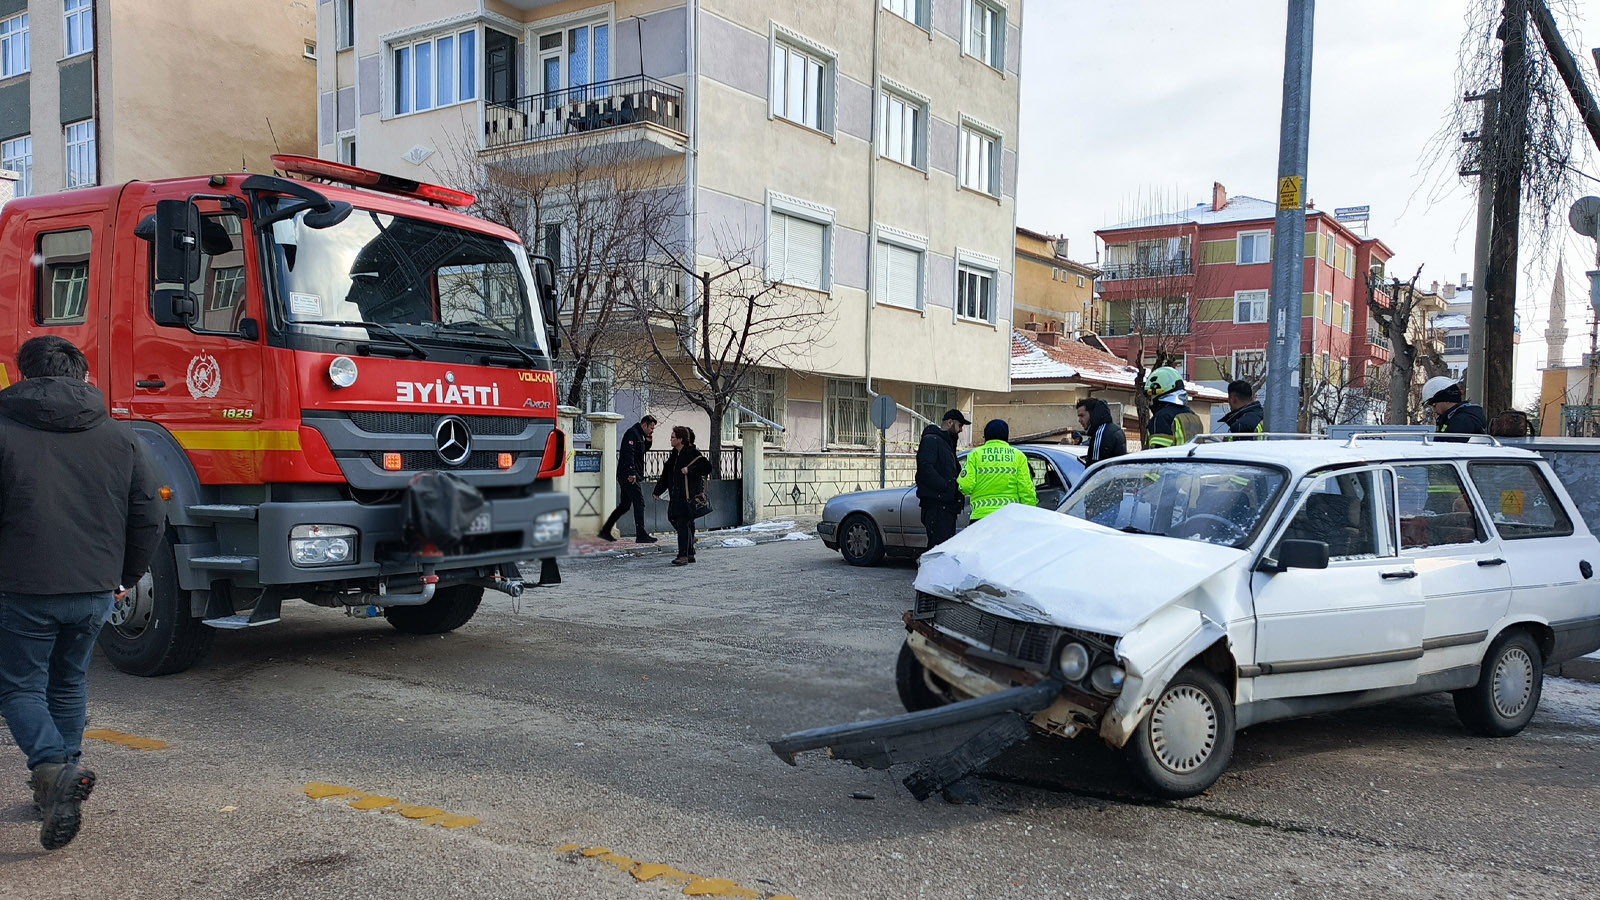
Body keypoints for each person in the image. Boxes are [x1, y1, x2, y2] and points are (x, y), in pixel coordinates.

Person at [0, 336, 164, 851]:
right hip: (96, 587)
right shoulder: (121, 437)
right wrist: (126, 573)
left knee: (19, 687)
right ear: (83, 375)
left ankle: (51, 768)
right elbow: (150, 514)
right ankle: (60, 786)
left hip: (21, 586)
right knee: (68, 683)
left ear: (21, 374)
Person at [653, 425, 713, 566]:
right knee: (674, 519)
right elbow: (666, 476)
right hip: (676, 496)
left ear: (680, 439)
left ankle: (683, 555)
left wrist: (690, 470)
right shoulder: (674, 455)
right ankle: (689, 552)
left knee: (682, 523)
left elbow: (707, 468)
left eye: (673, 437)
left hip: (688, 497)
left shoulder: (691, 453)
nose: (670, 439)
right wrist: (657, 490)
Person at [958, 420, 1037, 520]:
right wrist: (1029, 514)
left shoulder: (975, 455)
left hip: (981, 518)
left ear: (986, 435)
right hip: (1009, 518)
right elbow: (1026, 490)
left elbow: (965, 486)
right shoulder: (1018, 456)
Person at [915, 409, 970, 550]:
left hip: (946, 506)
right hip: (937, 506)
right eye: (959, 425)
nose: (961, 430)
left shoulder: (946, 443)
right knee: (937, 549)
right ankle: (931, 572)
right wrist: (946, 486)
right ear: (950, 423)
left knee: (942, 549)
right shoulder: (932, 440)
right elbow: (926, 468)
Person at [599, 414, 658, 544]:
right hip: (628, 475)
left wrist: (649, 440)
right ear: (644, 425)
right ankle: (641, 534)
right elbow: (628, 453)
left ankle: (605, 530)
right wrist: (631, 473)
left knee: (625, 505)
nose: (652, 430)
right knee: (639, 503)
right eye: (651, 428)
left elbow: (641, 451)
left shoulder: (640, 435)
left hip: (629, 474)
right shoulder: (632, 433)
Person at [1144, 366, 1204, 449]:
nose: (1151, 400)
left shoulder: (1161, 418)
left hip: (1172, 461)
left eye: (1151, 395)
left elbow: (1158, 455)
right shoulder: (1194, 417)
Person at [1423, 376, 1488, 439]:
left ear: (1446, 400)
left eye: (1434, 405)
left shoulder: (1462, 421)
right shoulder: (1453, 417)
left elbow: (1449, 447)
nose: (1434, 411)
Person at [1075, 398, 1126, 465]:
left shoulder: (1100, 434)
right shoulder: (1115, 430)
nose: (1079, 420)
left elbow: (1095, 467)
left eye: (1082, 416)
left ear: (1093, 414)